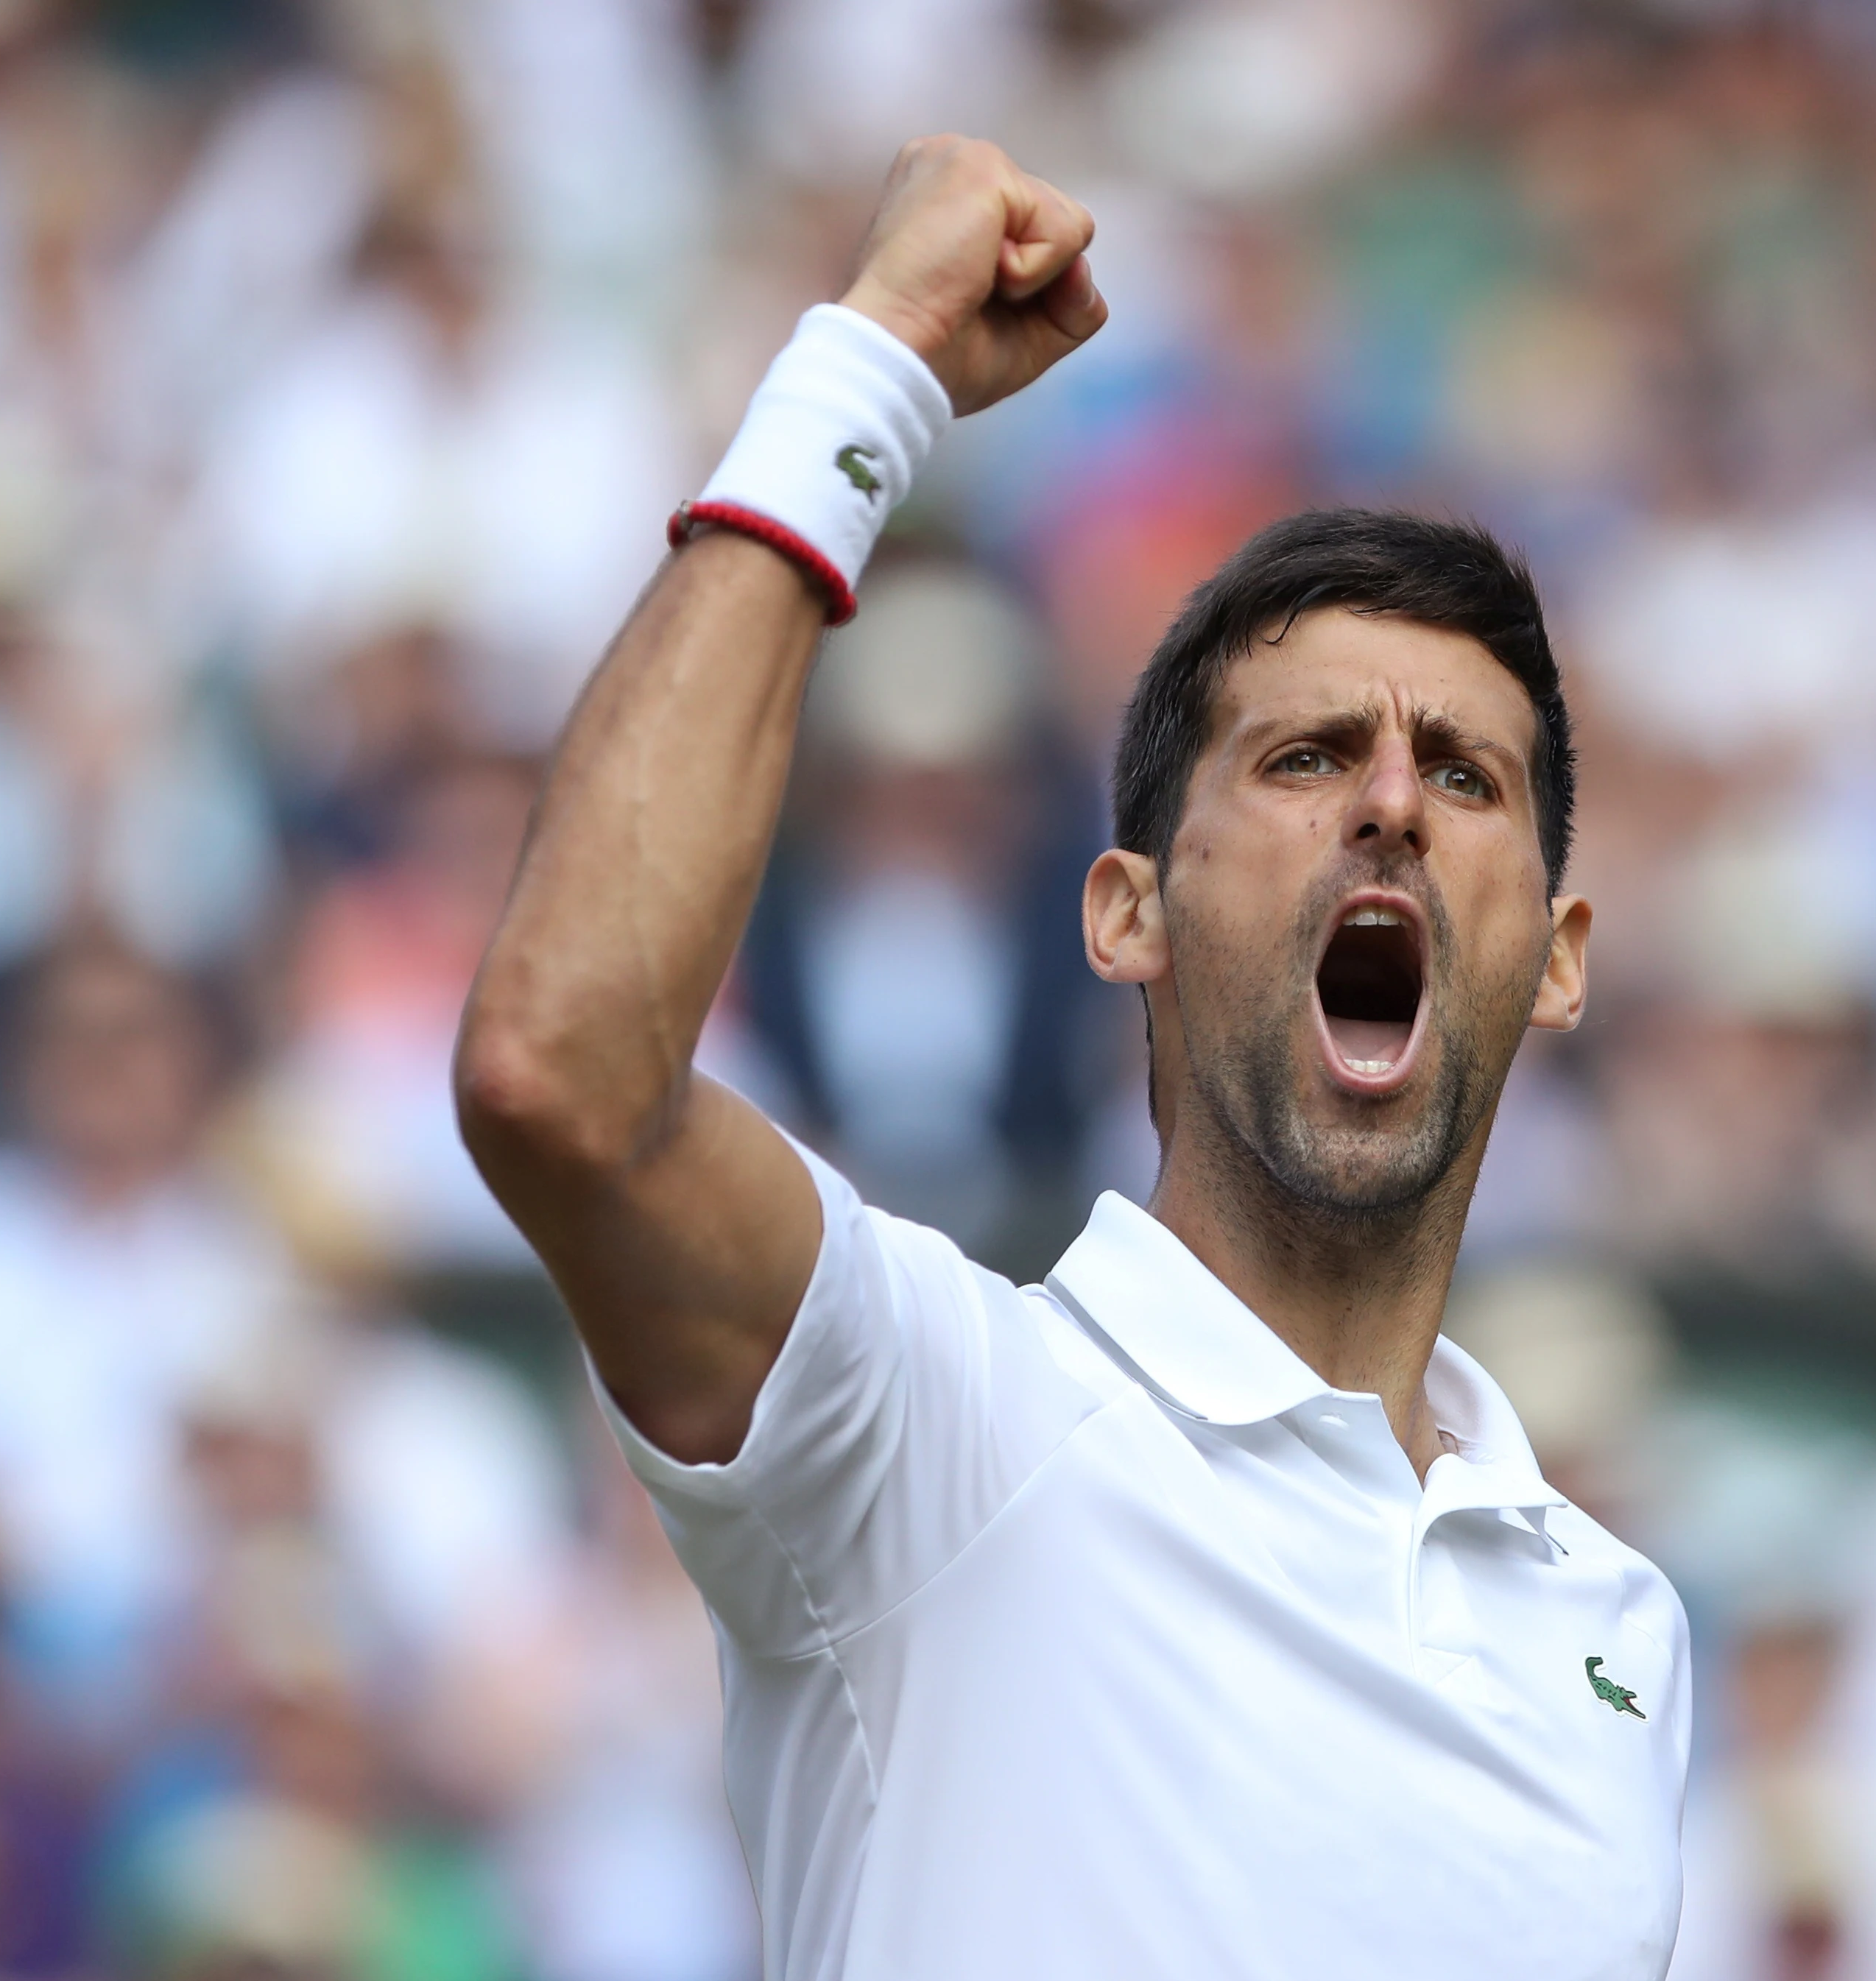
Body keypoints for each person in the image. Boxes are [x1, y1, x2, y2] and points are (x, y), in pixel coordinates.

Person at [453, 136, 1690, 1977]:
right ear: (1124, 914)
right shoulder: (937, 1412)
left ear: (1561, 956)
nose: (1386, 807)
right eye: (1301, 757)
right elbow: (563, 1072)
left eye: (1462, 774)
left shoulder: (1622, 1633)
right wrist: (867, 365)